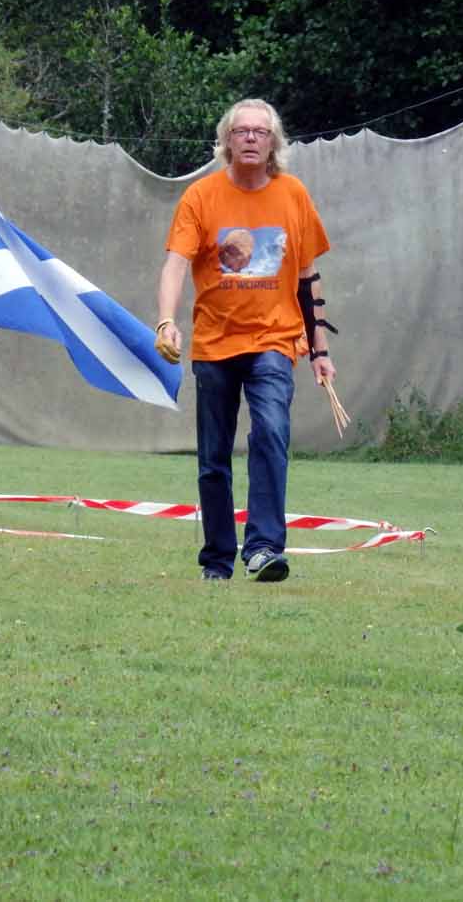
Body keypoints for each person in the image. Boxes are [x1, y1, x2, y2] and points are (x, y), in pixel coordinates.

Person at [155, 99, 336, 582]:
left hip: (274, 340)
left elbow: (307, 278)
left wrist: (320, 350)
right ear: (226, 141)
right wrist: (165, 321)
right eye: (241, 131)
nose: (251, 137)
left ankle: (263, 548)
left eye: (260, 131)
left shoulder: (293, 195)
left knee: (272, 432)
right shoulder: (201, 197)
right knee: (214, 457)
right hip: (214, 344)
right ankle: (217, 559)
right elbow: (175, 263)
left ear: (274, 142)